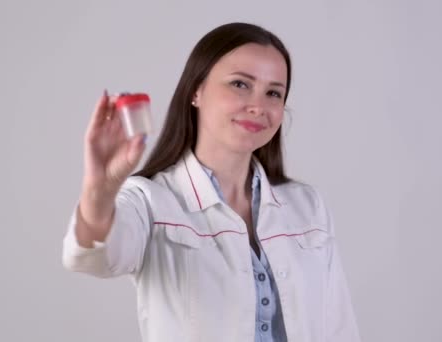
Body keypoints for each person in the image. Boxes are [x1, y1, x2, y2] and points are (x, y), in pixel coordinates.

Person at [62, 22, 361, 342]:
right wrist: (101, 188)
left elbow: (338, 327)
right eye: (240, 84)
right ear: (196, 91)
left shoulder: (307, 205)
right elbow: (93, 258)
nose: (258, 106)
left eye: (274, 92)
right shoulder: (150, 201)